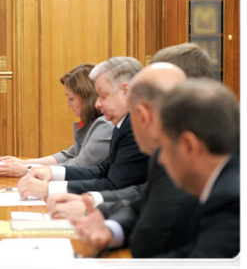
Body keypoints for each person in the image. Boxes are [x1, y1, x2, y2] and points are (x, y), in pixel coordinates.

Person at [61, 79, 244, 269]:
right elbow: (188, 256)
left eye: (164, 147)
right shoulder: (226, 178)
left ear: (189, 146)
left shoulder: (234, 199)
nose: (161, 160)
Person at [47, 41, 215, 218]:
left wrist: (91, 207)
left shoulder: (193, 139)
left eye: (152, 90)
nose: (97, 104)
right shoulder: (134, 125)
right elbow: (145, 193)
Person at [58, 63, 199, 261]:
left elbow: (154, 242)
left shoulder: (229, 189)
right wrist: (111, 230)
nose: (97, 104)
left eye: (103, 95)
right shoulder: (169, 152)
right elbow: (143, 198)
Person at [18, 56, 149, 199]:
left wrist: (51, 188)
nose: (97, 104)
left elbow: (116, 185)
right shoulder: (123, 123)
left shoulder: (134, 126)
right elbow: (104, 171)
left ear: (125, 91)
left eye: (103, 96)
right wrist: (50, 172)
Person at [0, 64, 114, 177]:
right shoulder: (92, 122)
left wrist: (27, 169)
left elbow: (79, 165)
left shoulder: (105, 124)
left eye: (71, 99)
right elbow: (69, 154)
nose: (68, 105)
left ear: (88, 99)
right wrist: (22, 162)